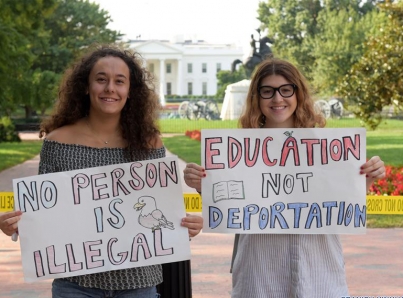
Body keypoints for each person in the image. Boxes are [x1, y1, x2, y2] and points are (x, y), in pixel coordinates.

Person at [0, 44, 203, 298]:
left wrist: (186, 226)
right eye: (101, 79)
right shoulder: (58, 143)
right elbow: (45, 216)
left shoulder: (149, 143)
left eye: (120, 81)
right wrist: (17, 226)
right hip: (75, 284)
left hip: (139, 282)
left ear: (130, 91)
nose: (110, 88)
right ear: (86, 87)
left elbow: (159, 213)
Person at [183, 57, 386, 298]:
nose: (278, 99)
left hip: (319, 271)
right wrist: (202, 184)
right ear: (256, 98)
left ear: (298, 94)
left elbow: (341, 201)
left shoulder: (329, 148)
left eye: (286, 90)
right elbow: (230, 205)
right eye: (267, 91)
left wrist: (368, 177)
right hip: (259, 273)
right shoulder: (237, 151)